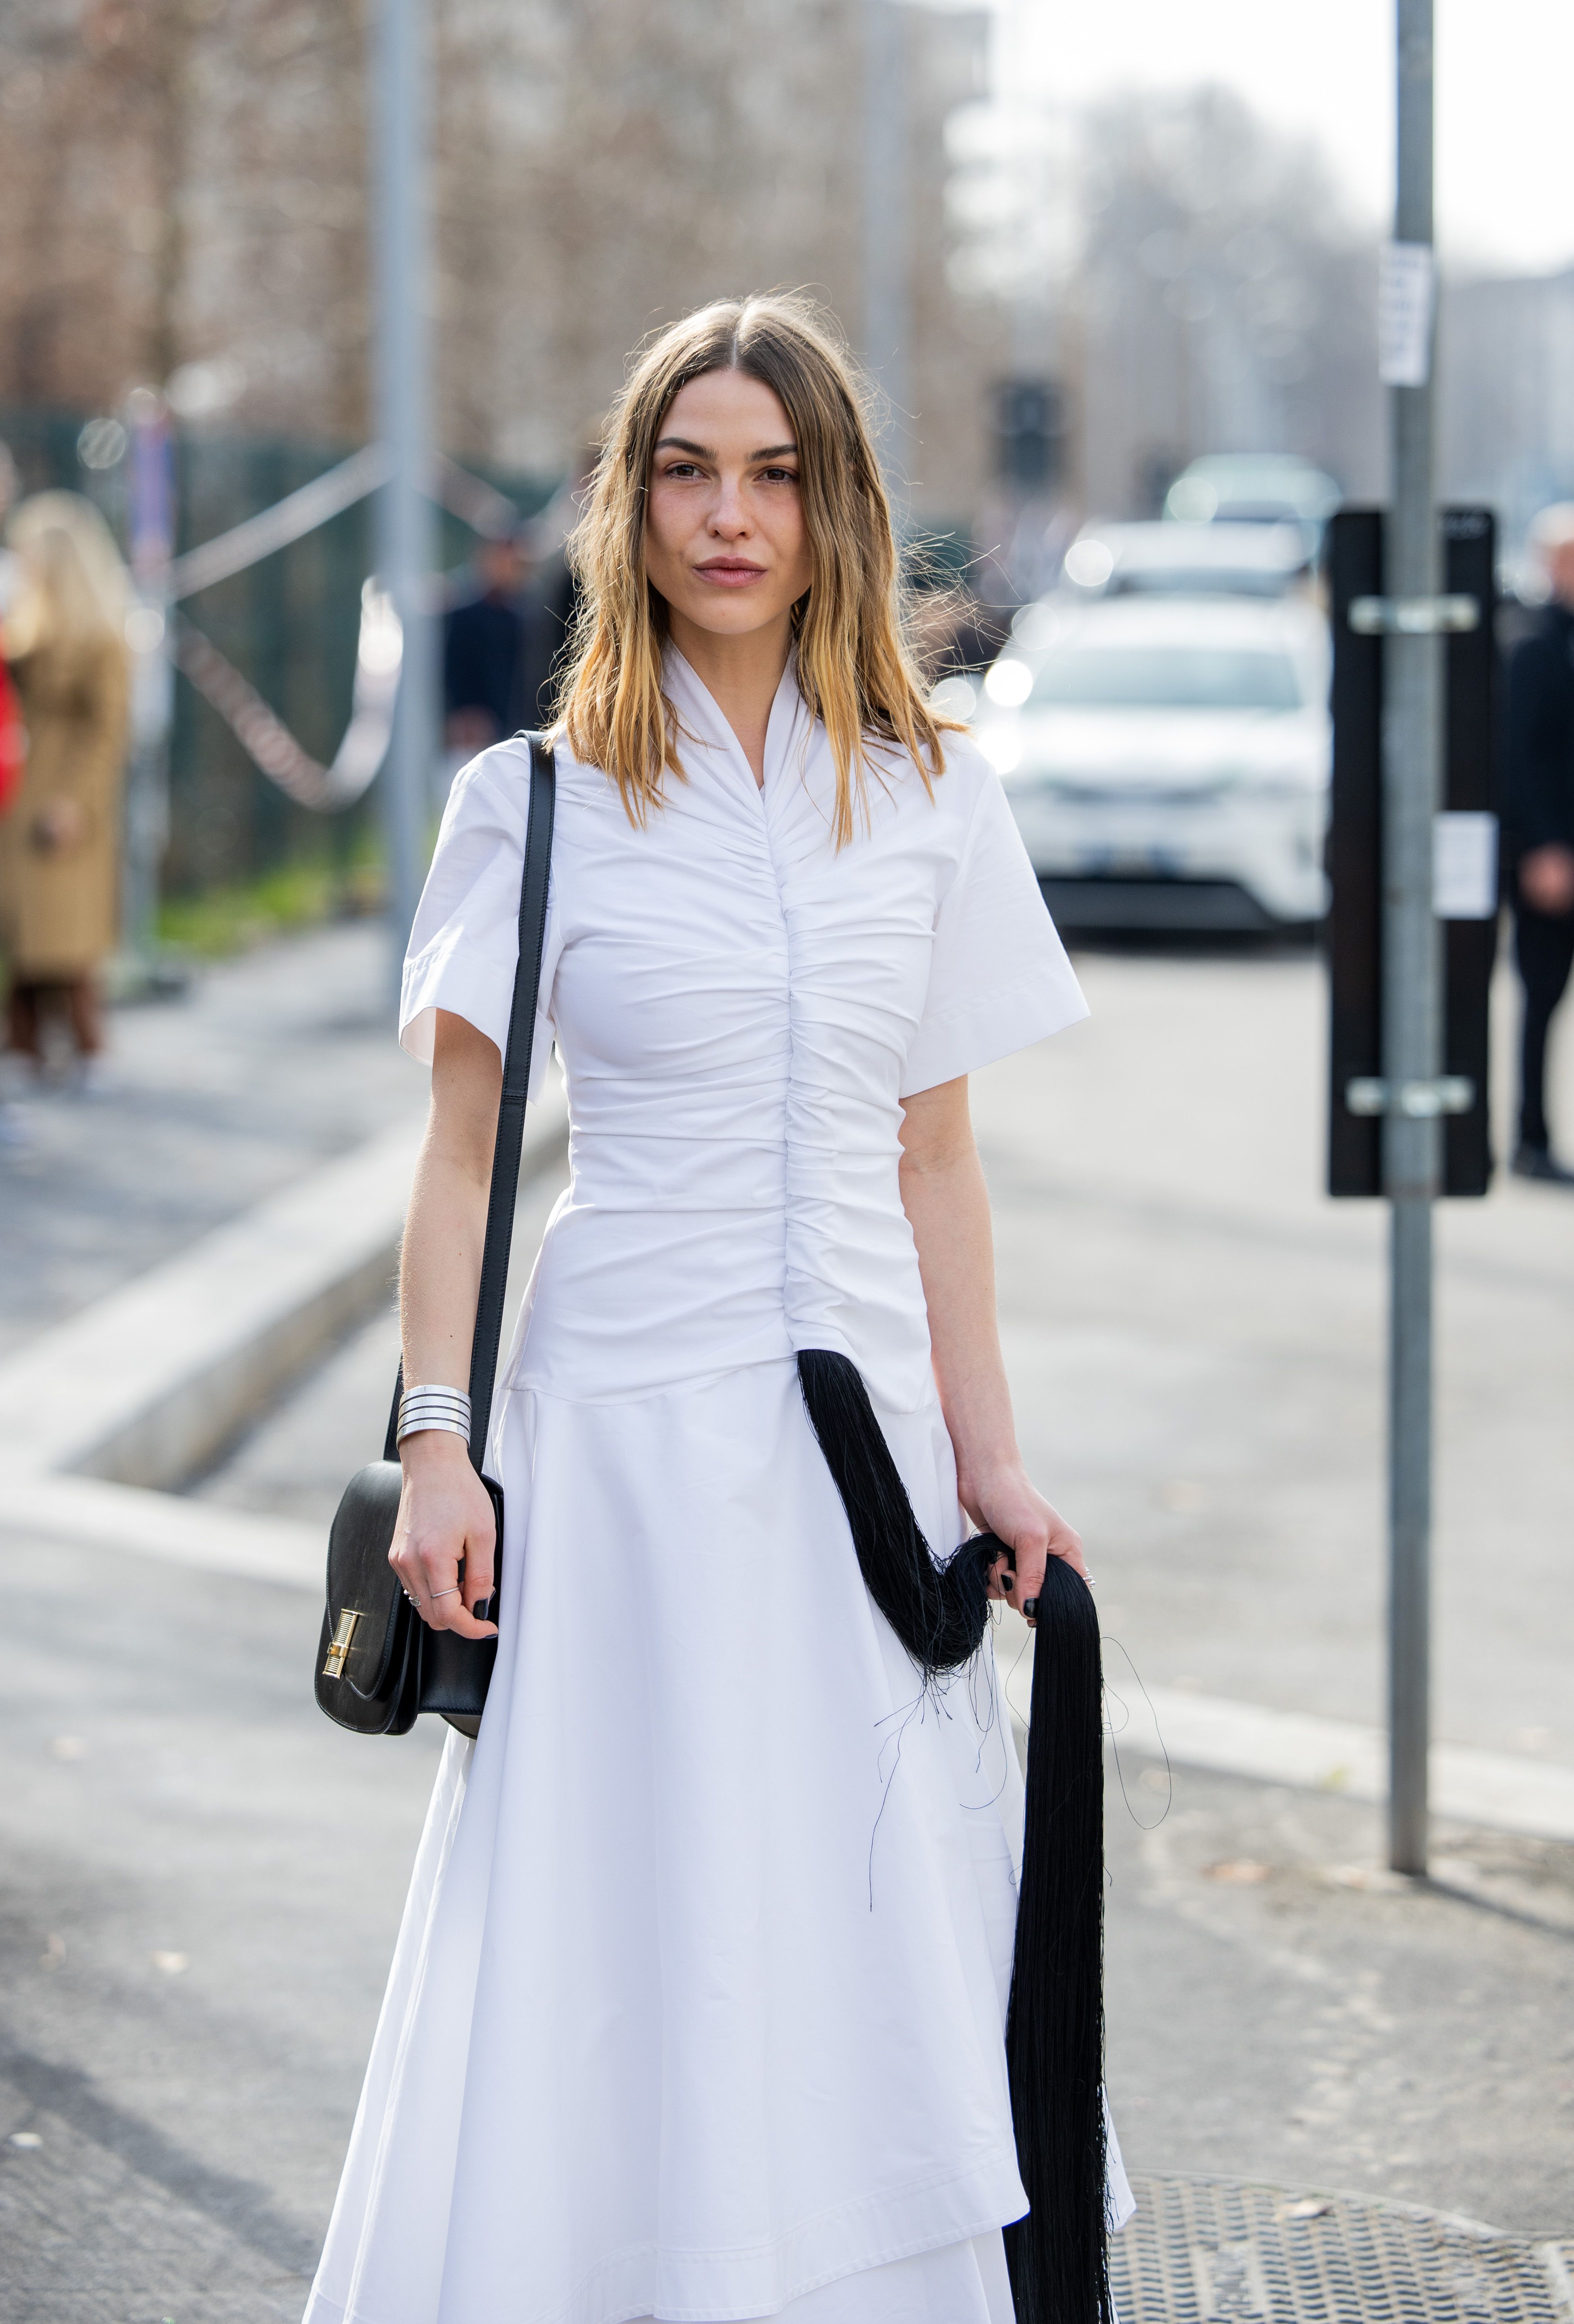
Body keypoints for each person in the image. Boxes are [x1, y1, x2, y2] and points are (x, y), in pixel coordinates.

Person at [305, 293, 1129, 2324]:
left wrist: (996, 1456)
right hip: (618, 1435)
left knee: (868, 1916)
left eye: (773, 473)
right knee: (627, 1916)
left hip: (874, 1467)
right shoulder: (538, 802)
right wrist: (436, 1439)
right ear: (633, 501)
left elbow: (937, 1158)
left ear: (836, 506)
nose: (729, 514)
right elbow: (464, 1149)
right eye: (688, 470)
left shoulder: (929, 792)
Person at [0, 492, 132, 1080]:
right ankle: (27, 1048)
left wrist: (73, 802)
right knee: (28, 934)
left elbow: (106, 732)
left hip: (63, 801)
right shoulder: (28, 631)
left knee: (64, 938)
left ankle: (86, 1048)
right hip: (21, 795)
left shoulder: (100, 641)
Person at [1505, 503, 1574, 1184]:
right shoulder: (1533, 643)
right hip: (1552, 862)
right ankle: (1531, 1137)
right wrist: (1545, 847)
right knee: (1542, 1003)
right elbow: (1520, 759)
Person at [441, 527, 531, 757]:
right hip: (474, 737)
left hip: (523, 730)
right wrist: (466, 713)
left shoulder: (531, 615)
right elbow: (453, 672)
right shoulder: (462, 614)